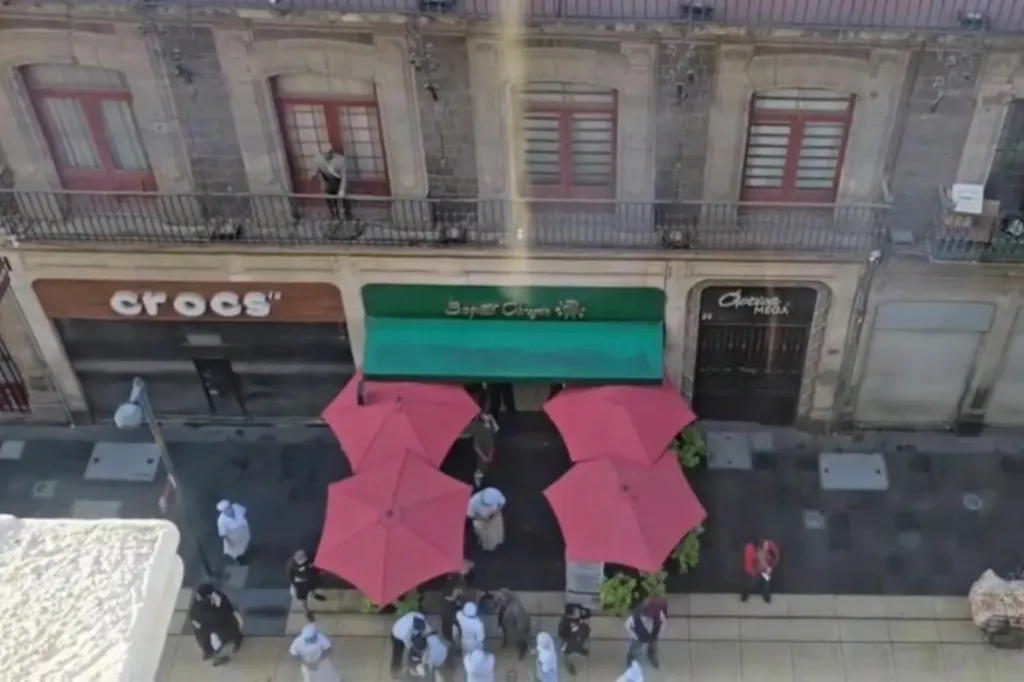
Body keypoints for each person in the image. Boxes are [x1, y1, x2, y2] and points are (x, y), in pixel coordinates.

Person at [189, 583, 243, 666]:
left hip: (211, 627)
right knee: (214, 642)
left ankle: (211, 653)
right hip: (214, 626)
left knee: (212, 642)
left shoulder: (199, 607)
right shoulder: (206, 605)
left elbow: (195, 619)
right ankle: (215, 655)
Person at [624, 596, 667, 670]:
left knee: (653, 647)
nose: (649, 621)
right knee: (634, 649)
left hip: (653, 636)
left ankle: (651, 657)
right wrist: (634, 636)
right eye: (646, 619)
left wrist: (659, 633)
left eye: (651, 618)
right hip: (639, 635)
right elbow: (626, 625)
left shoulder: (657, 613)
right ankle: (630, 661)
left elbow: (664, 622)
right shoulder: (636, 615)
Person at [312, 148, 353, 221]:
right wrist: (314, 175)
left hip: (338, 181)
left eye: (327, 154)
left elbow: (344, 176)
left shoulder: (340, 160)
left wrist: (342, 190)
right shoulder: (319, 159)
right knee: (330, 200)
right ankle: (334, 217)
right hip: (327, 182)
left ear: (331, 153)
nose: (326, 156)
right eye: (324, 155)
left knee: (344, 200)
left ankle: (347, 216)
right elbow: (317, 170)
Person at [287, 549, 326, 618]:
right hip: (300, 582)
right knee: (303, 597)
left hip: (311, 578)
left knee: (313, 587)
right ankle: (306, 611)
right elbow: (290, 577)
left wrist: (319, 572)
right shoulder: (291, 565)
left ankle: (314, 594)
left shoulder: (309, 558)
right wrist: (294, 585)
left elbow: (315, 565)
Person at [466, 487, 506, 552]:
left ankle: (496, 544)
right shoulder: (473, 501)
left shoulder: (494, 493)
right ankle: (483, 547)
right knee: (483, 534)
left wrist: (496, 512)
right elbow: (469, 515)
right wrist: (482, 519)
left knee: (495, 532)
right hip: (479, 518)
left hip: (494, 515)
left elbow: (502, 503)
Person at [742, 538, 780, 604]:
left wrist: (770, 567)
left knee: (766, 584)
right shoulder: (749, 549)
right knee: (750, 583)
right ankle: (746, 593)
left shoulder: (770, 544)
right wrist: (754, 571)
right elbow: (748, 565)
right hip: (755, 568)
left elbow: (776, 557)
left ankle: (766, 595)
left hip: (765, 569)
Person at [390, 609, 428, 676]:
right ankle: (395, 670)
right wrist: (413, 647)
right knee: (397, 653)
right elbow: (408, 643)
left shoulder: (419, 617)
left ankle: (408, 665)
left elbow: (423, 629)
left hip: (403, 628)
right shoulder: (404, 632)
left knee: (414, 642)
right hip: (397, 635)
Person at [495, 588, 530, 660]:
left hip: (517, 628)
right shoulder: (504, 604)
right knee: (507, 633)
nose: (501, 600)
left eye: (502, 598)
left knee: (520, 640)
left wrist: (520, 631)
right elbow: (501, 614)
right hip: (507, 623)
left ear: (507, 598)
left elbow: (522, 623)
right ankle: (506, 641)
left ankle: (522, 651)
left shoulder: (516, 607)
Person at [557, 604, 591, 675]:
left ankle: (578, 647)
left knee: (581, 635)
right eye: (576, 612)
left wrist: (585, 613)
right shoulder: (564, 623)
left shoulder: (576, 618)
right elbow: (563, 636)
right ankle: (570, 664)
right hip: (568, 644)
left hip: (577, 639)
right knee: (568, 650)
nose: (578, 613)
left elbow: (587, 614)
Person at [216, 499, 251, 565]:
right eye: (227, 510)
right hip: (234, 537)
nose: (230, 510)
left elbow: (244, 511)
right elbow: (224, 534)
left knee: (245, 544)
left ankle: (246, 550)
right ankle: (240, 560)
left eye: (229, 507)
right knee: (237, 551)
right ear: (224, 512)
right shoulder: (221, 521)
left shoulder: (236, 507)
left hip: (243, 531)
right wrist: (230, 542)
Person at [467, 415, 497, 488]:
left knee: (486, 466)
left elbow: (496, 429)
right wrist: (483, 456)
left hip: (490, 450)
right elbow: (476, 446)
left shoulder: (488, 425)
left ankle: (479, 478)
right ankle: (477, 483)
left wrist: (492, 419)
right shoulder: (480, 430)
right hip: (484, 452)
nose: (487, 416)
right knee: (481, 468)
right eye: (485, 416)